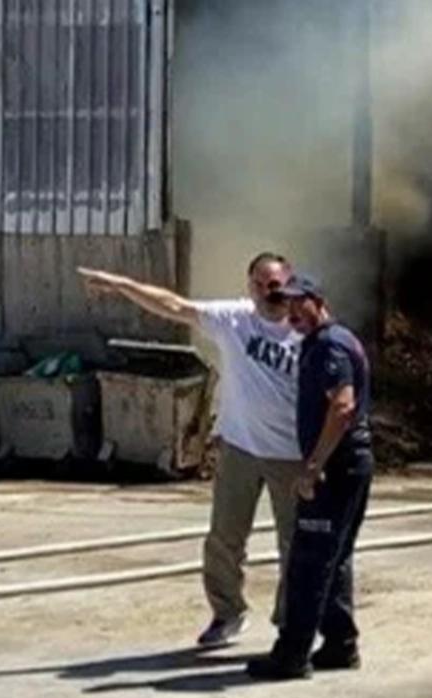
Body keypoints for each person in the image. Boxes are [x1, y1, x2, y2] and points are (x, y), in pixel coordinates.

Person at [77, 254, 302, 647]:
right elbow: (174, 305)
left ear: (291, 282)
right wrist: (120, 285)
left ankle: (291, 621)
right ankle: (227, 612)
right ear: (249, 286)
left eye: (276, 283)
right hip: (240, 447)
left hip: (291, 453)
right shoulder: (235, 318)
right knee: (224, 538)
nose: (270, 291)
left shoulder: (307, 328)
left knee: (296, 542)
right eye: (261, 283)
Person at [247, 273, 373, 681]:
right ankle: (340, 643)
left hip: (335, 468)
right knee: (334, 558)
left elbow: (342, 406)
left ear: (317, 301)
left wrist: (313, 466)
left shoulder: (328, 345)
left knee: (308, 561)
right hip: (350, 463)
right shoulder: (333, 340)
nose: (291, 311)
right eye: (286, 303)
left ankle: (292, 654)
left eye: (299, 302)